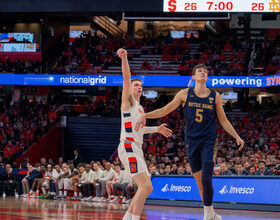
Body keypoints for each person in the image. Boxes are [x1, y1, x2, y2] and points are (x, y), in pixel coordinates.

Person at [136, 63, 244, 220]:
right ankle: (211, 212)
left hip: (209, 139)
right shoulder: (184, 94)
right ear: (194, 77)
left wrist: (237, 136)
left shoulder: (215, 96)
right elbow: (164, 110)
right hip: (191, 140)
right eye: (200, 71)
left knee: (207, 177)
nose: (203, 73)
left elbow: (224, 120)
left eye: (205, 71)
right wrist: (144, 115)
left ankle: (207, 214)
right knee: (199, 180)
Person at [116, 48, 172, 220]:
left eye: (140, 85)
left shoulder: (140, 109)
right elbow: (126, 77)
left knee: (148, 187)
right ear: (130, 89)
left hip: (136, 147)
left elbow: (139, 129)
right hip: (128, 145)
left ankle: (128, 217)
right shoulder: (127, 101)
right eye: (136, 85)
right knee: (145, 187)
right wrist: (124, 58)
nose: (139, 87)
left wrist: (156, 129)